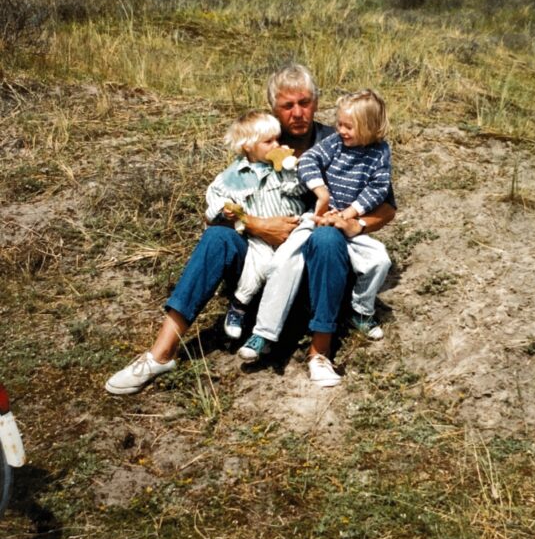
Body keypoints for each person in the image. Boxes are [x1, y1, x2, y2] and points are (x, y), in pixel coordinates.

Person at [104, 63, 395, 395]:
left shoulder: (344, 138)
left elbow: (387, 207)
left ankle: (320, 352)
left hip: (317, 269)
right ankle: (161, 353)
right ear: (274, 108)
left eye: (305, 102)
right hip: (262, 265)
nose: (298, 113)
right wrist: (257, 225)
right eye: (288, 105)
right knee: (217, 237)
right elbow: (218, 208)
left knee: (327, 237)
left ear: (316, 102)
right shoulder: (262, 138)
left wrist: (354, 223)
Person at [237, 90, 392, 376]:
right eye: (340, 123)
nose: (341, 130)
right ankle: (264, 333)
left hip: (347, 225)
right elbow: (308, 161)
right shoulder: (334, 143)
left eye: (348, 126)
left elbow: (380, 189)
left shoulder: (380, 153)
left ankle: (362, 310)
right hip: (317, 218)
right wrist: (321, 192)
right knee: (283, 262)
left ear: (369, 127)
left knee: (380, 260)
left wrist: (351, 214)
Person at [203, 110, 306, 341]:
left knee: (291, 265)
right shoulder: (232, 176)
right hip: (260, 237)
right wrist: (225, 209)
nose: (276, 145)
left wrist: (290, 169)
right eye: (268, 141)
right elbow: (214, 198)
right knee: (258, 266)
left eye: (277, 139)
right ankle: (239, 307)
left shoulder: (280, 169)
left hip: (294, 228)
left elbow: (298, 190)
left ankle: (283, 322)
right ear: (248, 146)